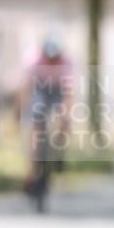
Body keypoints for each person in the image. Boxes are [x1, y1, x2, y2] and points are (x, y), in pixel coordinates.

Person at [20, 36, 74, 192]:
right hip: (39, 90)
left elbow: (69, 94)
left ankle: (59, 152)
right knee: (35, 130)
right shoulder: (33, 61)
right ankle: (32, 169)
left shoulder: (66, 64)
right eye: (48, 58)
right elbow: (26, 88)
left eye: (54, 59)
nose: (51, 62)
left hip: (57, 90)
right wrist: (23, 110)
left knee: (63, 119)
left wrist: (65, 117)